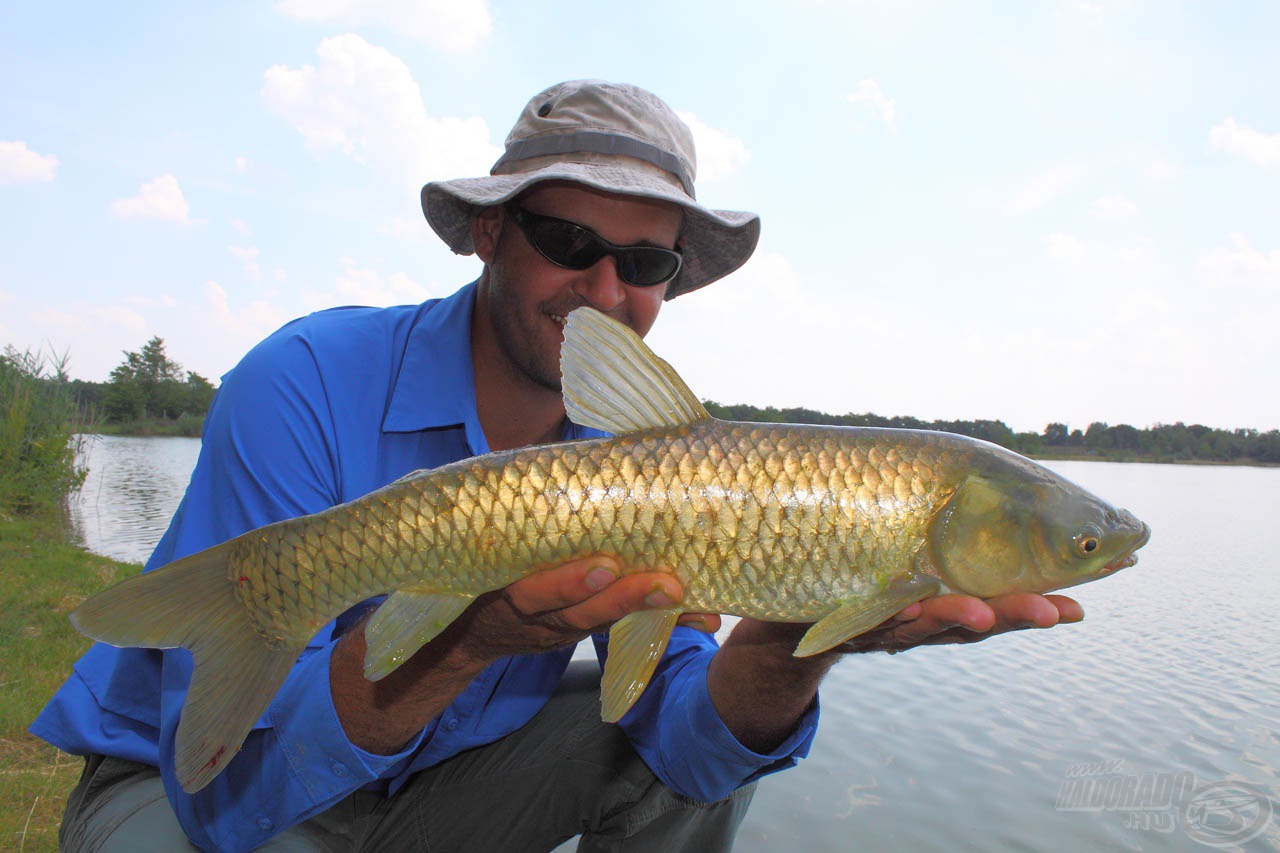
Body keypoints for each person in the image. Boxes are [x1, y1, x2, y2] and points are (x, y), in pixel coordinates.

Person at [34, 80, 1083, 852]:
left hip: (438, 791)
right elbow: (230, 796)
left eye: (644, 263)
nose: (601, 287)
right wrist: (463, 639)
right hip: (186, 790)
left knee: (658, 752)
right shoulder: (303, 378)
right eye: (567, 237)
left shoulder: (666, 469)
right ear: (489, 230)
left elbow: (688, 747)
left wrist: (790, 651)